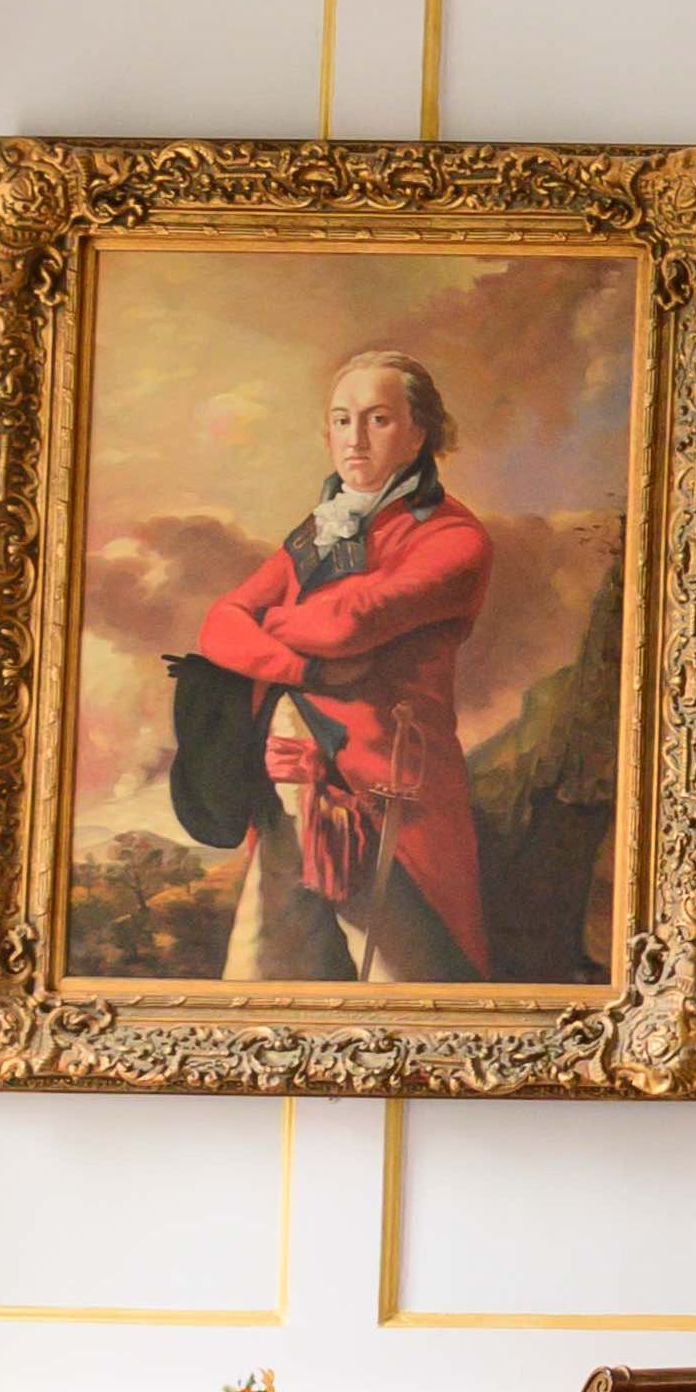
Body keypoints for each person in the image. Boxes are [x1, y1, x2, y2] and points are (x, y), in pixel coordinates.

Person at [189, 348, 494, 983]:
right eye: (341, 420)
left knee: (404, 988)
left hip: (386, 795)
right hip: (288, 783)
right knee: (264, 980)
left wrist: (265, 627)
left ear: (420, 431)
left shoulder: (452, 538)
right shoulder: (319, 531)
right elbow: (219, 624)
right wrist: (305, 672)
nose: (354, 439)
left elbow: (347, 622)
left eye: (378, 419)